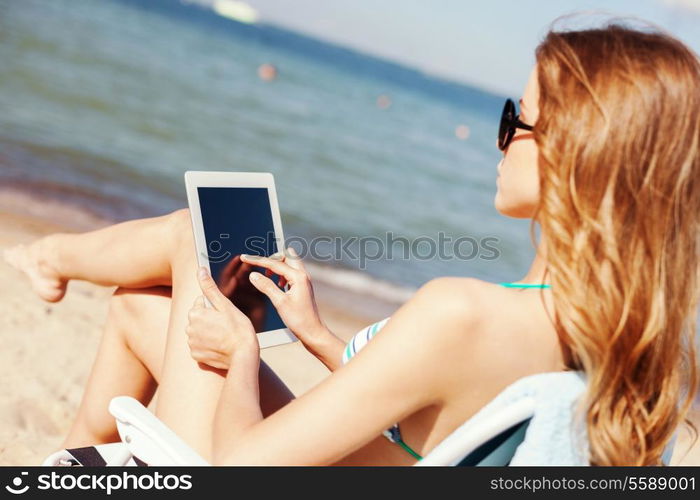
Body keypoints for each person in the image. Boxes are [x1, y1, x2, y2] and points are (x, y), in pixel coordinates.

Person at [4, 22, 699, 466]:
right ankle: (65, 465)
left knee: (196, 236)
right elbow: (441, 424)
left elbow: (244, 469)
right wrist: (314, 335)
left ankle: (53, 259)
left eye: (516, 119)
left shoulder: (462, 313)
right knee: (140, 311)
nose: (503, 137)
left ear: (571, 154)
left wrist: (246, 353)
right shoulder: (648, 358)